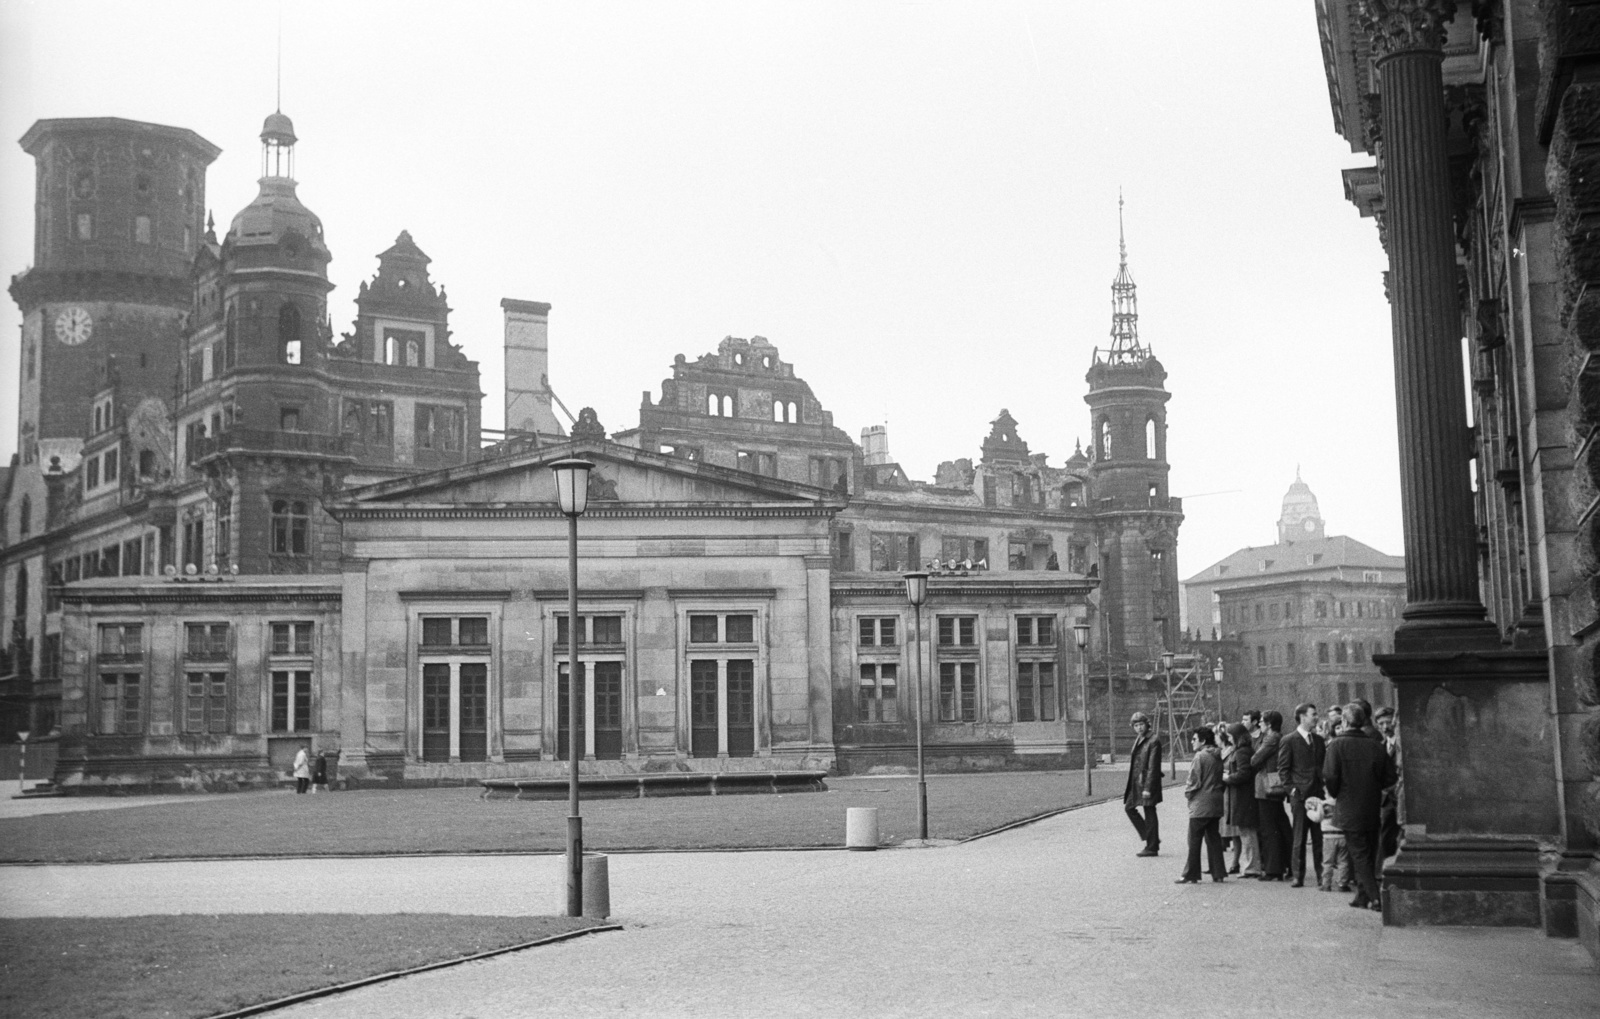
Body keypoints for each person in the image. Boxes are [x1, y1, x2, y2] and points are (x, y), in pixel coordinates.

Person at [1323, 702, 1398, 912]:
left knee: (1359, 855)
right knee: (1369, 850)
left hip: (1348, 808)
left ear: (1345, 722)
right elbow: (1389, 778)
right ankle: (1362, 896)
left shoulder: (1337, 745)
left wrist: (1337, 793)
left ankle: (1375, 897)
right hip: (1372, 807)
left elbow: (1330, 776)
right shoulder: (1376, 745)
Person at [1279, 701, 1326, 887]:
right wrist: (1291, 790)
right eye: (1313, 714)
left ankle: (1322, 874)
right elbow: (1283, 769)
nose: (1316, 717)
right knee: (1299, 836)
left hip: (1317, 794)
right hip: (1299, 796)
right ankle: (1298, 875)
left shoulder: (1319, 740)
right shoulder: (1289, 740)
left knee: (1319, 837)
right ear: (1302, 717)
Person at [1176, 726, 1227, 884]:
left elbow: (1193, 781)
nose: (1192, 742)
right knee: (1213, 838)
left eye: (1194, 739)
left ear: (1203, 741)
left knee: (1194, 839)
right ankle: (1218, 872)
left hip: (1201, 803)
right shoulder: (1219, 755)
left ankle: (1191, 873)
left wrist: (1188, 796)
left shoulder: (1200, 757)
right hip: (1216, 801)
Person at [1251, 710, 1290, 880]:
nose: (1259, 723)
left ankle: (1274, 869)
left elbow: (1255, 760)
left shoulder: (1271, 738)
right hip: (1273, 784)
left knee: (1269, 828)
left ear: (1269, 723)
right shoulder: (1277, 737)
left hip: (1267, 786)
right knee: (1280, 826)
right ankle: (1287, 863)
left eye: (1262, 721)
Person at [1220, 723, 1259, 877]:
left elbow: (1244, 774)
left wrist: (1227, 777)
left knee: (1247, 832)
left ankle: (1251, 867)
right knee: (1246, 832)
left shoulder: (1242, 752)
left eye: (1230, 736)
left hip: (1243, 797)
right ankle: (1249, 865)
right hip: (1244, 796)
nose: (1228, 739)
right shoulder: (1244, 750)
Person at [1123, 711, 1163, 857]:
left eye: (1141, 724)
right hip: (1137, 783)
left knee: (1149, 812)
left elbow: (1153, 767)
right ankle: (1152, 838)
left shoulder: (1153, 740)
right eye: (1136, 725)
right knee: (1129, 808)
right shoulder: (1140, 739)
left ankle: (1152, 847)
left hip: (1147, 784)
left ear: (1147, 724)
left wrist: (1148, 788)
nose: (1139, 728)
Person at [1375, 706, 1402, 859]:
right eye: (1381, 724)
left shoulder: (1402, 744)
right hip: (1386, 801)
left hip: (1402, 797)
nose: (1385, 727)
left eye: (1388, 722)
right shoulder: (1379, 747)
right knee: (1386, 837)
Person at [1312, 791, 1350, 893]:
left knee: (1328, 861)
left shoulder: (1323, 804)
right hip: (1342, 835)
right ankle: (1342, 884)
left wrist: (1309, 813)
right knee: (1343, 861)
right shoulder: (1343, 803)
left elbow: (1317, 818)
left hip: (1328, 836)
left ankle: (1326, 884)